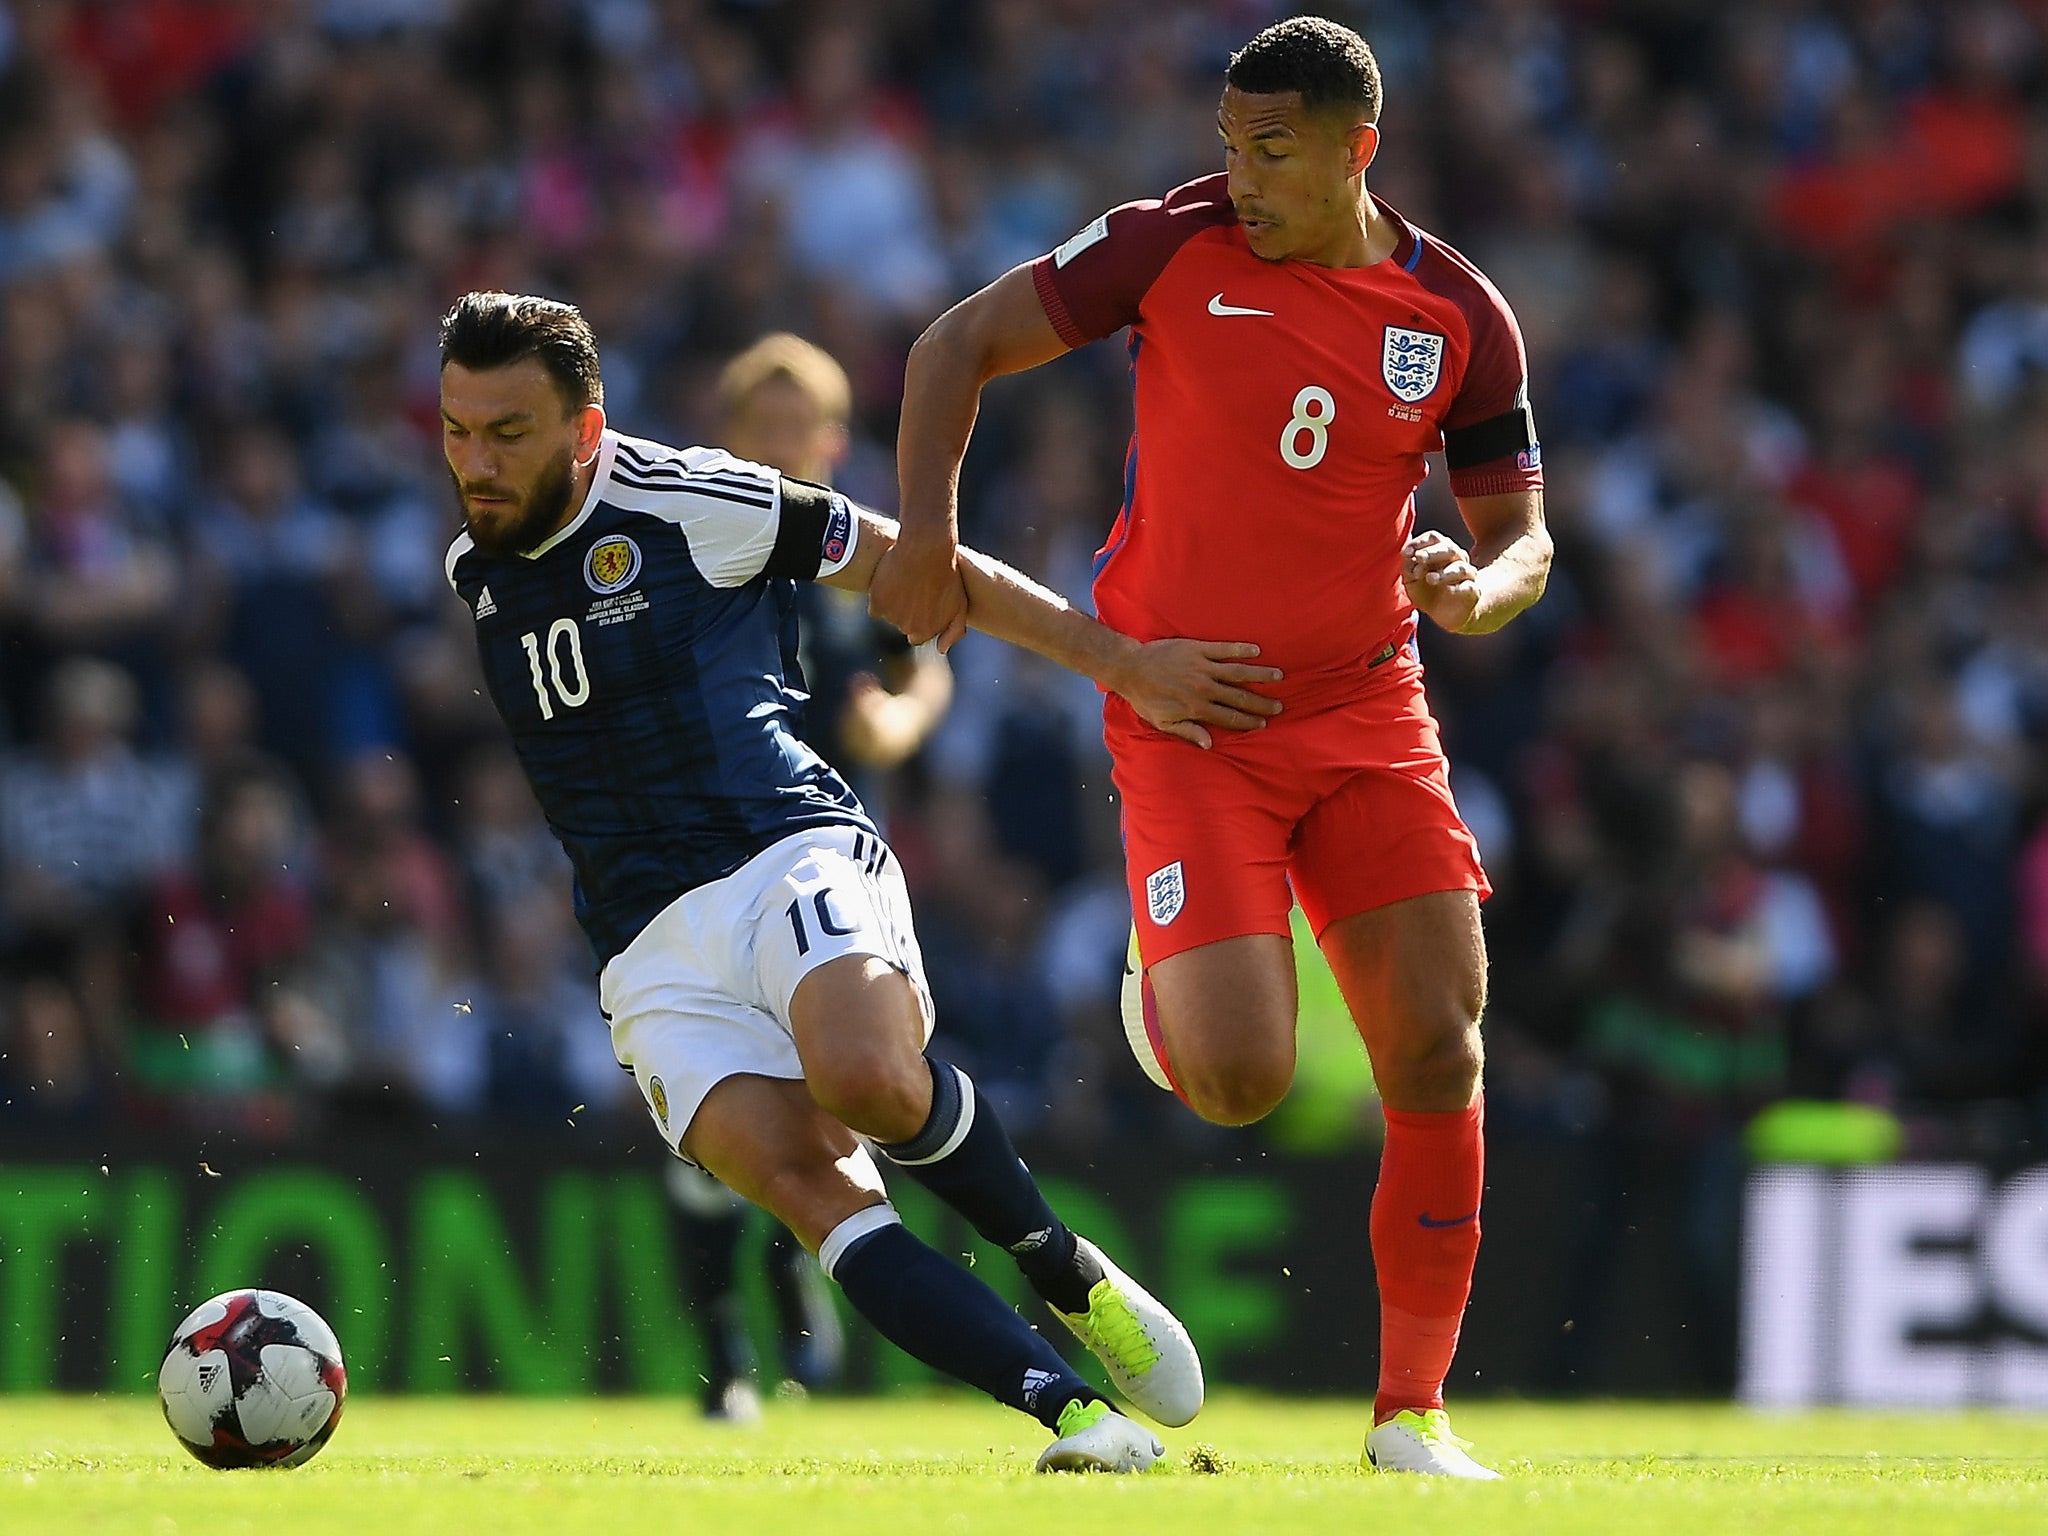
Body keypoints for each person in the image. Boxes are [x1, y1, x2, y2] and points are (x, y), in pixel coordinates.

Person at [871, 17, 1552, 1479]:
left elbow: (1522, 534)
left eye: (1271, 149)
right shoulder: (1167, 245)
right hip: (1189, 709)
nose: (1236, 175)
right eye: (1230, 143)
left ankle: (1412, 1419)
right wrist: (924, 535)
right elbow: (955, 347)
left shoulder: (1460, 316)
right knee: (1239, 1080)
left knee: (1437, 1041)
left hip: (1370, 707)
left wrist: (1476, 591)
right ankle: (1159, 992)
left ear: (1357, 148)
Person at [437, 291, 1278, 1471]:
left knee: (866, 1076)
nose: (476, 462)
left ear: (584, 431)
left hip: (783, 848)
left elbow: (926, 574)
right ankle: (1071, 1418)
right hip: (642, 944)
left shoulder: (695, 500)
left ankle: (1061, 1269)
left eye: (507, 433)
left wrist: (1119, 663)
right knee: (806, 1187)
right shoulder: (474, 565)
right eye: (457, 430)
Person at [665, 333, 952, 1418]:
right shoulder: (690, 539)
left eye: (802, 429)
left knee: (822, 1104)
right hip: (698, 869)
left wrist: (902, 715)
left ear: (833, 441)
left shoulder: (855, 555)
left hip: (827, 871)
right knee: (701, 1123)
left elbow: (922, 654)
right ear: (731, 437)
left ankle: (789, 1283)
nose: (785, 447)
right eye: (764, 429)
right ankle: (727, 1352)